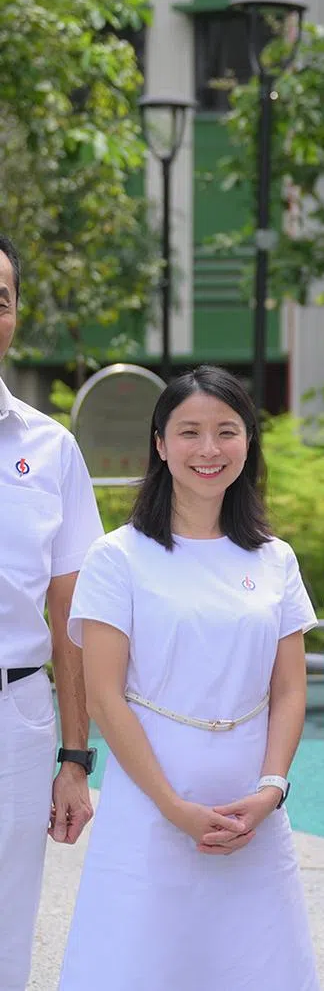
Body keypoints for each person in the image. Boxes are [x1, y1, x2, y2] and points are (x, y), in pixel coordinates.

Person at [57, 366, 319, 990]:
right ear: (159, 443)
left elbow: (288, 689)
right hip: (149, 807)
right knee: (137, 963)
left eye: (227, 431)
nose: (209, 450)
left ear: (249, 442)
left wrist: (272, 790)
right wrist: (174, 808)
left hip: (250, 812)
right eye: (189, 432)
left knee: (256, 966)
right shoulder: (116, 556)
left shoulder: (274, 557)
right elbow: (103, 694)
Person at [0, 235, 103, 991]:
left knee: (8, 926)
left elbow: (72, 613)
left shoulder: (52, 448)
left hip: (17, 717)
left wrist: (75, 756)